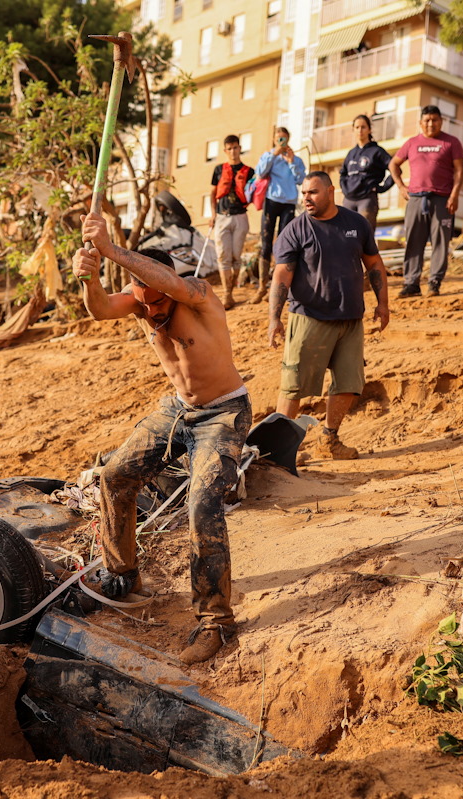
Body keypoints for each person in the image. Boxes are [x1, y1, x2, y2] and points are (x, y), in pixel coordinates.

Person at [72, 212, 251, 665]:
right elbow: (99, 310)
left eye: (157, 301)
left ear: (168, 283)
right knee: (114, 476)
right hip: (178, 410)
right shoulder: (139, 299)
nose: (151, 310)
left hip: (223, 413)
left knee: (203, 504)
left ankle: (215, 622)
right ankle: (122, 576)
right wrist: (90, 278)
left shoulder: (197, 295)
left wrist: (112, 250)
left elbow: (165, 284)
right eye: (142, 302)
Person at [267, 172, 389, 462]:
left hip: (350, 319)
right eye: (304, 193)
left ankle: (328, 439)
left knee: (349, 382)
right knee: (294, 385)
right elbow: (282, 275)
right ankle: (280, 452)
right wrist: (274, 318)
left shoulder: (356, 223)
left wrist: (382, 304)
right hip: (309, 316)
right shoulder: (295, 230)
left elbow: (374, 263)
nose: (306, 198)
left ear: (331, 192)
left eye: (313, 192)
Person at [388, 106, 463, 298]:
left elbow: (459, 171)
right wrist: (401, 187)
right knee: (414, 241)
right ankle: (411, 283)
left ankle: (434, 282)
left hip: (442, 199)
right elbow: (393, 164)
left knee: (440, 242)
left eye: (435, 120)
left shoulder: (451, 142)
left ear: (441, 121)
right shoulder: (412, 143)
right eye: (427, 120)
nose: (431, 123)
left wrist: (454, 194)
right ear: (421, 123)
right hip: (416, 199)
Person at [252, 126, 306, 304]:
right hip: (271, 201)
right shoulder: (269, 156)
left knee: (284, 244)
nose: (282, 142)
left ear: (289, 139)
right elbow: (260, 172)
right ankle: (261, 286)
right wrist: (274, 154)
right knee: (266, 242)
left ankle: (277, 286)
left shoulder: (295, 159)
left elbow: (300, 179)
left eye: (284, 138)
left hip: (288, 203)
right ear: (275, 140)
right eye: (279, 138)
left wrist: (291, 161)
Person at [208, 134, 254, 310]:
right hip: (222, 216)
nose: (233, 151)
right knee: (223, 256)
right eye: (230, 149)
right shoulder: (219, 169)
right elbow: (212, 193)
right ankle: (227, 294)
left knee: (236, 256)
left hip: (240, 216)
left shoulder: (249, 171)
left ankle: (231, 291)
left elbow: (254, 192)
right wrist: (212, 214)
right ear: (225, 151)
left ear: (239, 148)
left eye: (236, 147)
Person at [339, 115, 395, 232]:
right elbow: (343, 174)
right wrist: (345, 189)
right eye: (357, 127)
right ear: (353, 130)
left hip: (367, 199)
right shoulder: (351, 153)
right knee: (347, 235)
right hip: (349, 199)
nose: (360, 130)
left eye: (363, 127)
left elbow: (395, 168)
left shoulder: (377, 151)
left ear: (369, 129)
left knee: (365, 234)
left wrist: (382, 188)